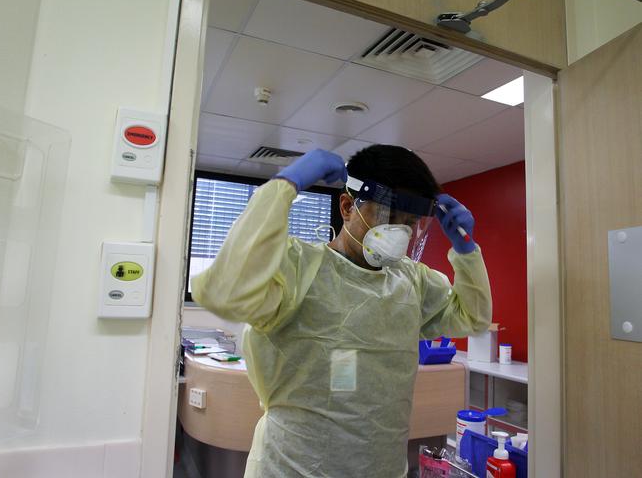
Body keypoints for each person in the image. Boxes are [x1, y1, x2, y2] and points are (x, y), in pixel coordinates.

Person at [192, 145, 492, 478]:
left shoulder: (411, 280)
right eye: (387, 217)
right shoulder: (299, 267)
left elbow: (472, 317)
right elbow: (223, 292)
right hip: (292, 468)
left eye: (408, 223)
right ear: (348, 207)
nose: (399, 233)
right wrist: (284, 186)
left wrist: (466, 251)